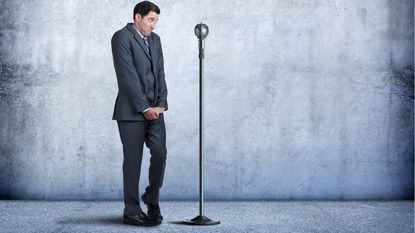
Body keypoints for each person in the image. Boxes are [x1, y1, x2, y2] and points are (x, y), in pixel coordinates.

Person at [111, 1, 168, 227]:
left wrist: (161, 104)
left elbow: (161, 73)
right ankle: (131, 210)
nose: (153, 25)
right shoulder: (121, 37)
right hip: (131, 112)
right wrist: (144, 108)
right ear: (137, 17)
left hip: (155, 110)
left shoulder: (155, 40)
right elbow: (127, 77)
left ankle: (151, 198)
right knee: (133, 162)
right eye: (150, 20)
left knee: (160, 153)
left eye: (156, 21)